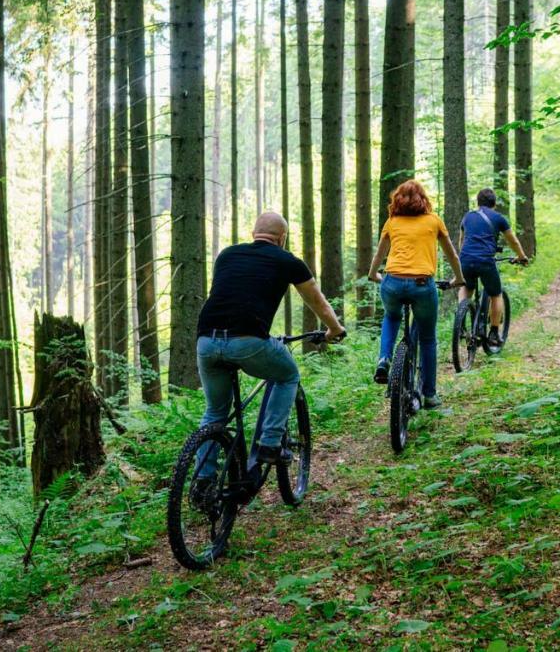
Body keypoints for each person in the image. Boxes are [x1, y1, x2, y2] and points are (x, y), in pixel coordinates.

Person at [194, 212, 345, 478]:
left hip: (206, 341)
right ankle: (270, 444)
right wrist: (334, 329)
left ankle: (203, 481)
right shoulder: (288, 261)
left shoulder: (227, 255)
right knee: (288, 375)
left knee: (215, 412)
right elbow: (318, 302)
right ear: (282, 238)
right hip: (247, 341)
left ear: (254, 233)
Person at [366, 180, 466, 408]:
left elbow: (379, 256)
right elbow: (452, 254)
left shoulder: (392, 222)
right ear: (423, 199)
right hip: (422, 284)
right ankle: (429, 395)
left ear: (397, 200)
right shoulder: (433, 221)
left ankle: (384, 359)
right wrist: (458, 278)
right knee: (428, 337)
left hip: (392, 281)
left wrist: (374, 275)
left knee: (391, 317)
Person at [458, 188, 529, 350]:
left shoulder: (468, 216)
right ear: (494, 203)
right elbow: (513, 241)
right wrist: (521, 256)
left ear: (478, 202)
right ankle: (494, 333)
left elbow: (461, 242)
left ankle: (460, 320)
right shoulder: (498, 218)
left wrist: (465, 258)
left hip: (466, 259)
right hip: (485, 260)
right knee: (496, 294)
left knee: (465, 288)